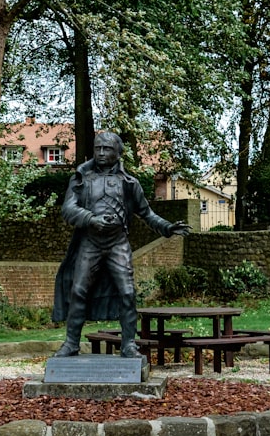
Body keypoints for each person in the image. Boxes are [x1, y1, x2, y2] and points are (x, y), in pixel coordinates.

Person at [52, 131, 191, 358]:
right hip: (90, 242)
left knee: (127, 292)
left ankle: (128, 344)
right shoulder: (81, 180)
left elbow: (146, 213)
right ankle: (71, 343)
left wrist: (167, 227)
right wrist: (91, 219)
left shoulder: (129, 183)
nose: (101, 153)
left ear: (118, 153)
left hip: (118, 243)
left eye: (107, 149)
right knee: (78, 291)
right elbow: (68, 209)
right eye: (98, 148)